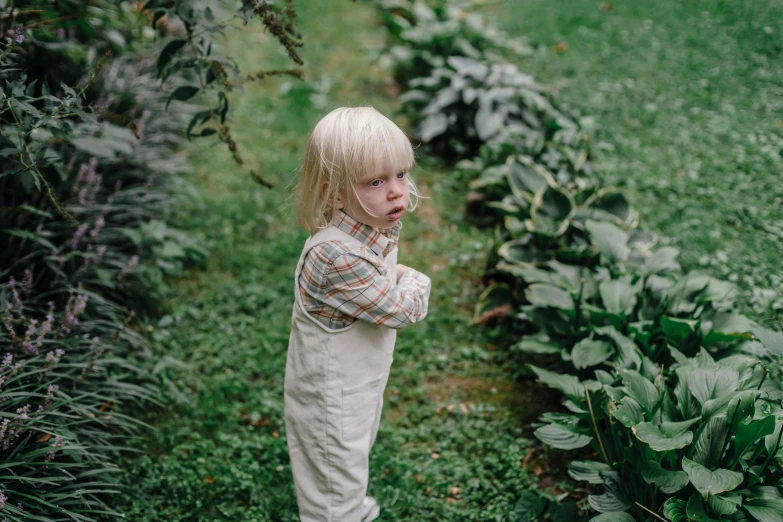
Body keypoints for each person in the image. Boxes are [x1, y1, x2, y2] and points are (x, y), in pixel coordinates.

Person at [284, 106, 432, 521]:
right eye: (376, 181)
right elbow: (404, 308)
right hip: (331, 393)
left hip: (358, 380)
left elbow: (381, 281)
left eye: (401, 174)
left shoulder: (367, 224)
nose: (397, 191)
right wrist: (414, 278)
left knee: (350, 454)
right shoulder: (337, 256)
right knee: (334, 467)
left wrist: (392, 275)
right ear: (334, 191)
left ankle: (347, 507)